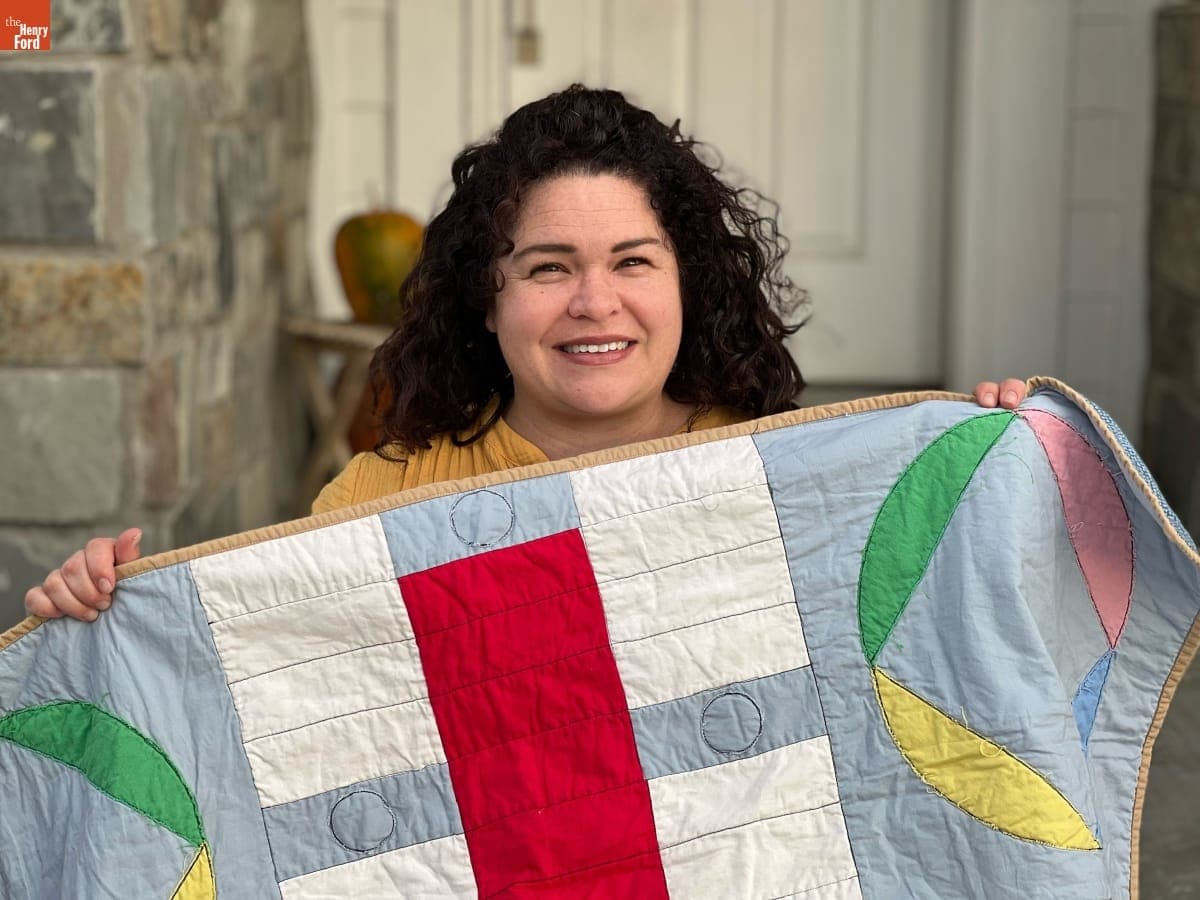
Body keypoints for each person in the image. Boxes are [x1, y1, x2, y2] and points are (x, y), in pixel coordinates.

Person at [24, 85, 1027, 622]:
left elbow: (944, 625)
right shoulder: (375, 505)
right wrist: (107, 620)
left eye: (633, 260)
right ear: (486, 297)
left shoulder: (792, 479)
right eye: (548, 268)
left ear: (688, 285)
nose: (597, 303)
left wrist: (1004, 473)